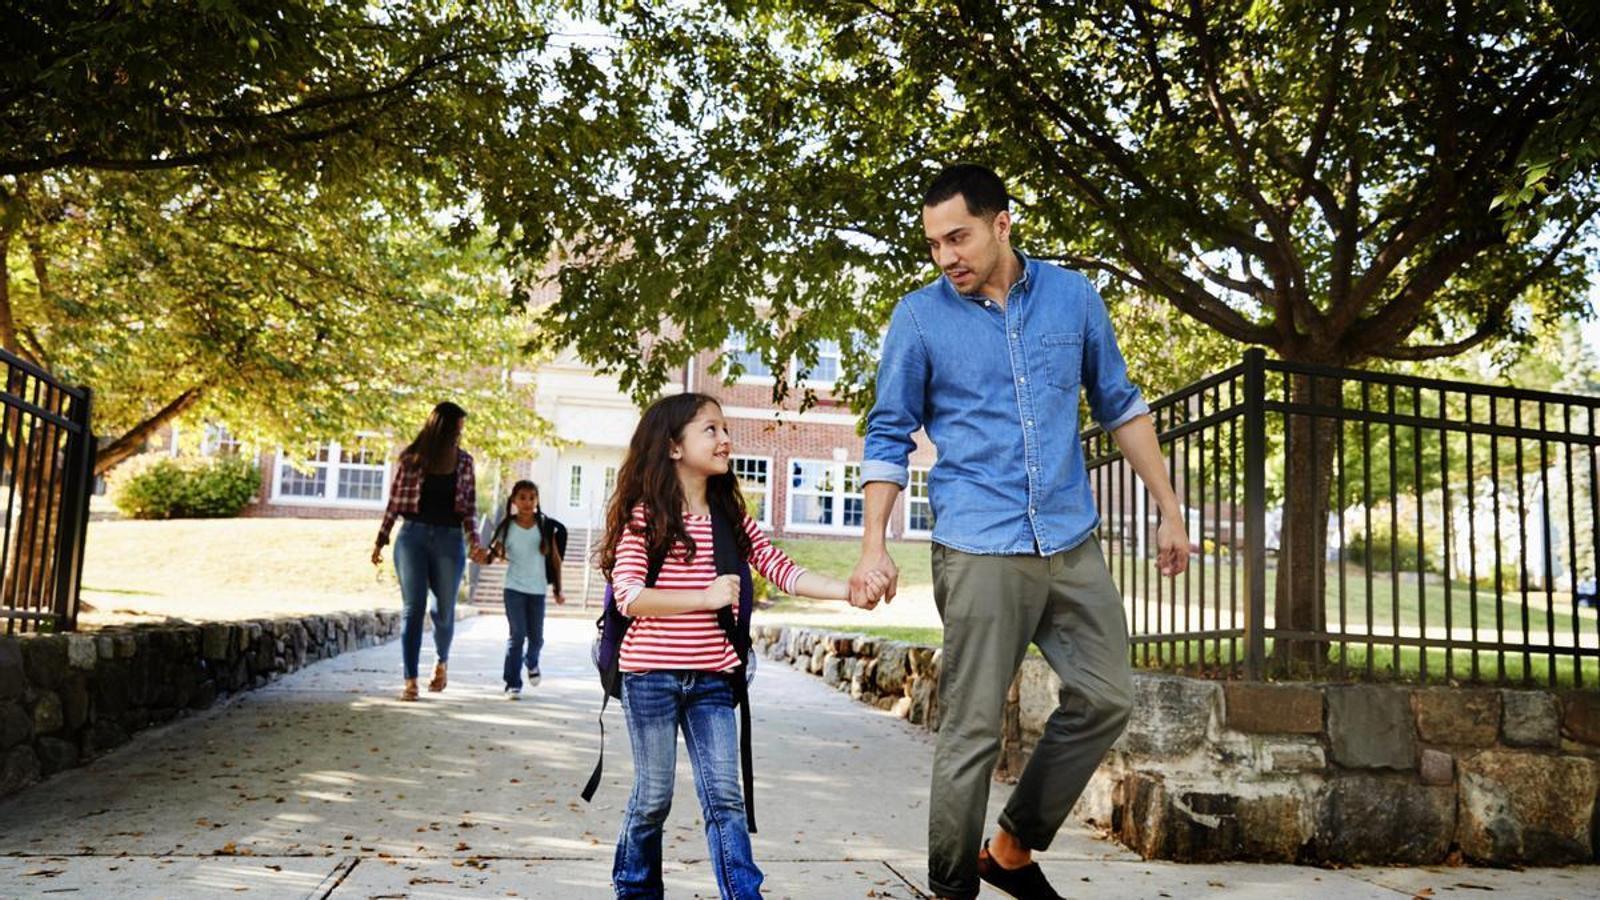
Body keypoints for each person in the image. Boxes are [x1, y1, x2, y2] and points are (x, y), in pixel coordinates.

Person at [851, 164, 1190, 900]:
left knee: (1105, 697)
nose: (947, 257)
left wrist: (1167, 507)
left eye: (959, 237)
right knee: (972, 732)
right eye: (935, 244)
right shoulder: (919, 317)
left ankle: (1009, 849)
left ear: (1002, 223)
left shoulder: (1072, 298)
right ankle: (950, 887)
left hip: (1069, 537)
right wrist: (874, 544)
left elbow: (1120, 404)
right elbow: (887, 435)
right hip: (979, 544)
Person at [598, 392, 885, 900]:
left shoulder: (731, 517)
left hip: (712, 678)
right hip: (651, 678)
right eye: (710, 429)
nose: (725, 438)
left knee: (725, 799)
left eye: (724, 428)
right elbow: (629, 596)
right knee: (653, 797)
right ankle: (636, 891)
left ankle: (742, 895)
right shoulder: (645, 517)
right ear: (672, 447)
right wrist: (703, 596)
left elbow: (782, 568)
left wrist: (849, 591)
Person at [371, 401, 483, 702]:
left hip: (449, 539)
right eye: (457, 427)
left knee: (443, 611)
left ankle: (441, 663)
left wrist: (475, 542)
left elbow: (470, 507)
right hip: (413, 537)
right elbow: (395, 502)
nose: (460, 433)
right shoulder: (412, 459)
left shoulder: (464, 462)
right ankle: (410, 680)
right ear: (442, 427)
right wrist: (381, 540)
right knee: (413, 609)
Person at [484, 480, 568, 699]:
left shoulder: (544, 525)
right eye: (522, 497)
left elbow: (556, 560)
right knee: (517, 635)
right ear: (514, 501)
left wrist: (558, 589)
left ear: (536, 500)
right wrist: (480, 556)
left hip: (537, 590)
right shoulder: (507, 526)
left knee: (537, 639)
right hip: (513, 588)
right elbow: (492, 556)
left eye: (532, 497)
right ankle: (512, 683)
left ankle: (531, 662)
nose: (527, 502)